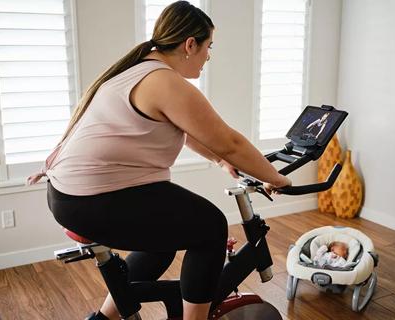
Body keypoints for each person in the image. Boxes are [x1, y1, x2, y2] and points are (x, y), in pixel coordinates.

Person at [29, 2, 291, 320]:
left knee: (164, 238)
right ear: (189, 44)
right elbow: (231, 142)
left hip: (69, 196)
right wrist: (276, 178)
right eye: (208, 46)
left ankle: (103, 319)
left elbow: (191, 131)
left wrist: (221, 162)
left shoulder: (137, 70)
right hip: (93, 199)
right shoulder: (164, 82)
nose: (209, 55)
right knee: (210, 227)